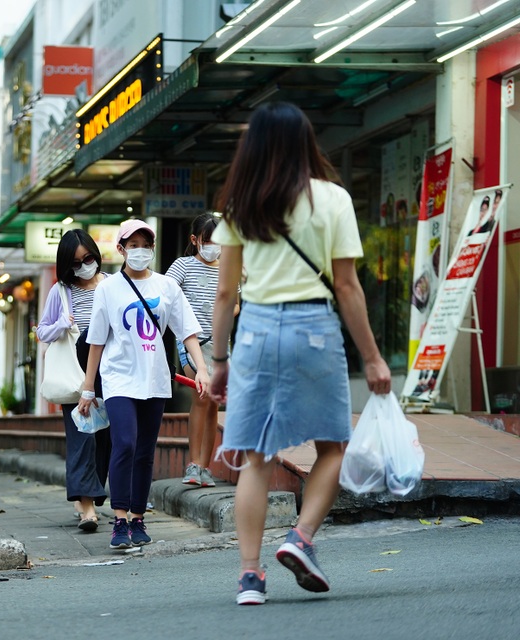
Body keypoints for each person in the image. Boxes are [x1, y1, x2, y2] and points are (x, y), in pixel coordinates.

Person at [208, 102, 391, 605]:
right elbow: (349, 288)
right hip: (314, 326)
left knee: (256, 458)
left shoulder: (240, 206)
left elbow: (225, 294)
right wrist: (373, 358)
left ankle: (250, 577)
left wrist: (219, 360)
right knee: (332, 445)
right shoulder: (333, 199)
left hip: (257, 331)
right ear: (306, 142)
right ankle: (301, 538)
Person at [78, 219, 210, 550]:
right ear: (120, 250)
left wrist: (202, 369)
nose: (140, 251)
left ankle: (138, 517)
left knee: (145, 452)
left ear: (153, 248)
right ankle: (119, 520)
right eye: (132, 245)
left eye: (145, 245)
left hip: (154, 378)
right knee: (124, 443)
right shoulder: (108, 288)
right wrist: (88, 387)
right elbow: (96, 341)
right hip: (119, 378)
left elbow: (188, 332)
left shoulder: (167, 287)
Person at [37, 228, 112, 531]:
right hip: (75, 371)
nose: (84, 266)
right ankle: (88, 509)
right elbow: (42, 331)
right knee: (82, 437)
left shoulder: (111, 285)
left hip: (110, 368)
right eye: (77, 262)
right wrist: (61, 324)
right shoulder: (61, 291)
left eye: (89, 258)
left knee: (105, 438)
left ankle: (88, 496)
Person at [166, 212, 238, 488]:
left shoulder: (229, 268)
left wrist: (228, 309)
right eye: (207, 240)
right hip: (191, 344)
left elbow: (236, 304)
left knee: (213, 403)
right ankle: (194, 465)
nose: (213, 246)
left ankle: (204, 466)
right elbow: (165, 297)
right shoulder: (182, 266)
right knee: (202, 395)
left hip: (221, 345)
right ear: (195, 240)